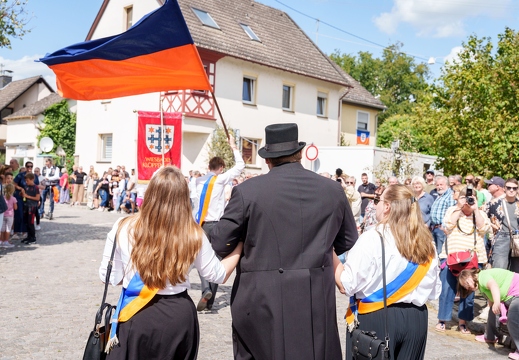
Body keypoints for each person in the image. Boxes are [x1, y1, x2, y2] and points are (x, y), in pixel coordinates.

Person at [211, 123, 358, 359]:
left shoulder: (248, 191)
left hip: (261, 299)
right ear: (299, 154)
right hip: (314, 300)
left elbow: (219, 242)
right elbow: (348, 240)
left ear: (268, 160)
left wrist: (242, 240)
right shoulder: (332, 190)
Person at [99, 166, 242, 359]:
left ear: (150, 192)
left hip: (136, 313)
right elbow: (217, 274)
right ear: (184, 198)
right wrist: (240, 245)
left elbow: (109, 277)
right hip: (178, 317)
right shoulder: (193, 234)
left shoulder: (122, 226)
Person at [337, 184, 441, 360]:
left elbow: (346, 284)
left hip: (376, 315)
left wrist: (329, 252)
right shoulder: (427, 243)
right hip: (416, 319)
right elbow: (434, 290)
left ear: (387, 207)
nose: (375, 204)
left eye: (378, 200)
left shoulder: (372, 237)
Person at [193, 134, 244, 311]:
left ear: (209, 167)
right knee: (216, 261)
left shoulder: (197, 181)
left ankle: (206, 289)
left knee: (199, 258)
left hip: (200, 224)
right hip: (217, 224)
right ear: (221, 168)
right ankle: (210, 298)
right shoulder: (221, 179)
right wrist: (234, 147)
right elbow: (240, 166)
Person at [435, 186, 490, 335]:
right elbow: (447, 226)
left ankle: (463, 322)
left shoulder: (481, 214)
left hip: (472, 259)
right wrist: (459, 208)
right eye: (464, 198)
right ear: (458, 198)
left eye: (470, 198)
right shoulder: (452, 211)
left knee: (469, 292)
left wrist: (476, 209)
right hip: (451, 257)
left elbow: (483, 229)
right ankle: (442, 320)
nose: (467, 201)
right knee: (447, 290)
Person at [459, 268, 519, 360]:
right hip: (511, 295)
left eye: (467, 283)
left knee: (512, 319)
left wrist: (497, 302)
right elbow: (491, 297)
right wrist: (494, 305)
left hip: (516, 292)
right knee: (493, 310)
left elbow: (494, 286)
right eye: (466, 287)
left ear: (470, 275)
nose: (469, 287)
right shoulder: (480, 285)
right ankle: (490, 336)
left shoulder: (482, 277)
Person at [484, 178, 519, 272]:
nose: (511, 190)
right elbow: (482, 218)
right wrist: (491, 225)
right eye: (509, 188)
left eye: (514, 188)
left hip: (517, 239)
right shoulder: (494, 203)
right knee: (499, 270)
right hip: (501, 238)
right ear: (504, 188)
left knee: (516, 273)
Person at [430, 175, 456, 254]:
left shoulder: (450, 196)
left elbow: (451, 212)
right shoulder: (440, 196)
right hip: (435, 228)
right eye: (437, 185)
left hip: (443, 228)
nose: (439, 187)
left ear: (447, 185)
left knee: (441, 253)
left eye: (441, 185)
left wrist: (444, 227)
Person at [20, 173, 40, 245]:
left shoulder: (36, 187)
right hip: (26, 205)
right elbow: (22, 195)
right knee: (26, 222)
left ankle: (33, 238)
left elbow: (37, 198)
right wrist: (22, 193)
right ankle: (29, 236)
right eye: (26, 181)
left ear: (32, 179)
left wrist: (27, 196)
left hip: (32, 206)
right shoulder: (26, 187)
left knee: (30, 222)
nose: (26, 182)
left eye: (27, 180)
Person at [0, 184, 17, 248]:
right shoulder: (13, 198)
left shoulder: (3, 198)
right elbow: (15, 207)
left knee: (2, 228)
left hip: (3, 214)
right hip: (10, 215)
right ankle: (6, 241)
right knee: (8, 228)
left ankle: (1, 240)